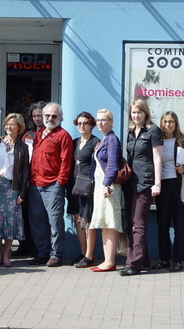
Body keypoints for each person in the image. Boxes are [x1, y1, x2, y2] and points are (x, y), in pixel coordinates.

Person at [120, 99, 163, 276]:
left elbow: (157, 159)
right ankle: (144, 261)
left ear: (145, 113)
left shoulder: (153, 131)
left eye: (139, 112)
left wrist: (157, 183)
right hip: (130, 182)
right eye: (133, 112)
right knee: (131, 223)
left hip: (145, 182)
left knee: (139, 224)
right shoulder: (131, 132)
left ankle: (133, 265)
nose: (136, 115)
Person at [28, 102, 73, 267]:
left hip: (53, 185)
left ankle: (56, 255)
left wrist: (60, 182)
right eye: (47, 115)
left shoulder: (63, 136)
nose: (50, 118)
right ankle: (42, 253)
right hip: (35, 184)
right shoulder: (38, 135)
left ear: (60, 118)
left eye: (54, 116)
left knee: (55, 221)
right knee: (37, 221)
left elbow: (66, 162)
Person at [153, 111, 184, 272]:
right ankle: (164, 259)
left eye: (171, 121)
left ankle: (178, 260)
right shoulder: (157, 140)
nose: (168, 125)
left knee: (179, 226)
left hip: (178, 186)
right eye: (165, 122)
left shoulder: (183, 141)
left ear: (176, 123)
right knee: (162, 225)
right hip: (161, 186)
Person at [0, 113, 29, 267]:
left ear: (19, 128)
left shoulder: (23, 146)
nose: (9, 127)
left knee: (10, 221)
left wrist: (22, 193)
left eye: (13, 124)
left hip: (12, 186)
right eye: (7, 124)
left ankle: (6, 254)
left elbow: (25, 171)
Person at [87, 109, 123, 272]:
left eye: (104, 120)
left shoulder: (112, 139)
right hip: (101, 186)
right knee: (104, 223)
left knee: (110, 223)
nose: (100, 122)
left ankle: (110, 261)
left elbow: (114, 164)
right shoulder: (103, 140)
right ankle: (107, 260)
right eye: (98, 120)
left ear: (111, 122)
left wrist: (106, 184)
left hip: (109, 187)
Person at [12, 101, 46, 257]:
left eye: (40, 115)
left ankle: (39, 247)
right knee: (24, 214)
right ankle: (24, 245)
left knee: (39, 216)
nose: (38, 118)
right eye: (35, 116)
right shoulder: (27, 135)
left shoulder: (50, 133)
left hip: (44, 180)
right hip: (26, 179)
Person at [66, 112, 100, 268]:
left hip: (87, 187)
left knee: (88, 221)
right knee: (78, 220)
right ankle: (83, 253)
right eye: (79, 123)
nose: (82, 126)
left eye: (85, 123)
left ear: (91, 125)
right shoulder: (74, 142)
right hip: (74, 186)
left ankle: (90, 256)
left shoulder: (95, 142)